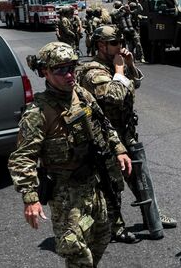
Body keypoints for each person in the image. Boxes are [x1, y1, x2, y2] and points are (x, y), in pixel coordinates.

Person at [8, 42, 132, 268]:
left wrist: (119, 149)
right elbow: (22, 157)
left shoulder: (81, 94)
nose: (69, 75)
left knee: (102, 235)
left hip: (94, 184)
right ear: (45, 71)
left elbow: (103, 124)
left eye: (72, 68)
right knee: (76, 252)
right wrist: (30, 197)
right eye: (61, 70)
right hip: (66, 193)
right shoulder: (38, 112)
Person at [76, 25, 177, 244]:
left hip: (125, 132)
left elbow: (135, 85)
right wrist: (120, 71)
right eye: (114, 43)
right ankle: (115, 226)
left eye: (121, 42)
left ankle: (152, 215)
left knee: (139, 177)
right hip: (106, 137)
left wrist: (129, 66)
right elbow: (115, 96)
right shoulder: (94, 72)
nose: (120, 46)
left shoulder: (113, 64)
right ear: (101, 46)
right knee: (113, 184)